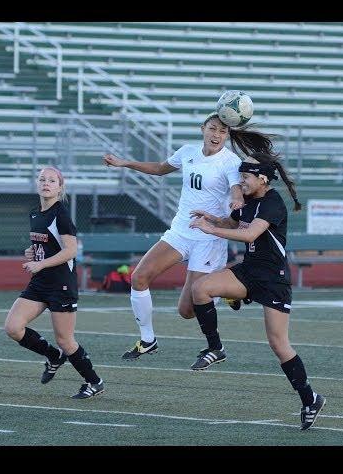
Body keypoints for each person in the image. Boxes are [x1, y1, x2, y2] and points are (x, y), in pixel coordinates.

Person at [188, 150, 326, 430]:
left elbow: (250, 234)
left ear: (263, 179)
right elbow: (237, 224)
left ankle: (310, 398)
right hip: (249, 270)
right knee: (200, 288)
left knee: (278, 344)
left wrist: (210, 230)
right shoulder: (249, 199)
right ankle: (216, 348)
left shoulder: (273, 203)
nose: (242, 181)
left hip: (273, 279)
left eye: (246, 177)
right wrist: (214, 219)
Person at [103, 113, 245, 360]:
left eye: (223, 132)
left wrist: (237, 199)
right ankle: (148, 340)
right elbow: (159, 168)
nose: (216, 135)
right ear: (203, 129)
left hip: (209, 237)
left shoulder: (230, 162)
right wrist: (124, 163)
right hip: (180, 230)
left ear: (227, 136)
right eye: (212, 129)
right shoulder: (187, 151)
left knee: (187, 311)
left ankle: (226, 288)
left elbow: (235, 189)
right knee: (139, 277)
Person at [4, 166, 104, 399]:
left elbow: (71, 250)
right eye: (42, 179)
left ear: (60, 187)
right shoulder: (35, 213)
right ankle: (53, 356)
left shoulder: (61, 214)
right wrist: (32, 252)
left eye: (51, 180)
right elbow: (46, 245)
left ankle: (94, 382)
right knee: (13, 327)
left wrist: (40, 263)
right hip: (40, 283)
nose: (46, 183)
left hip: (61, 285)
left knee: (66, 340)